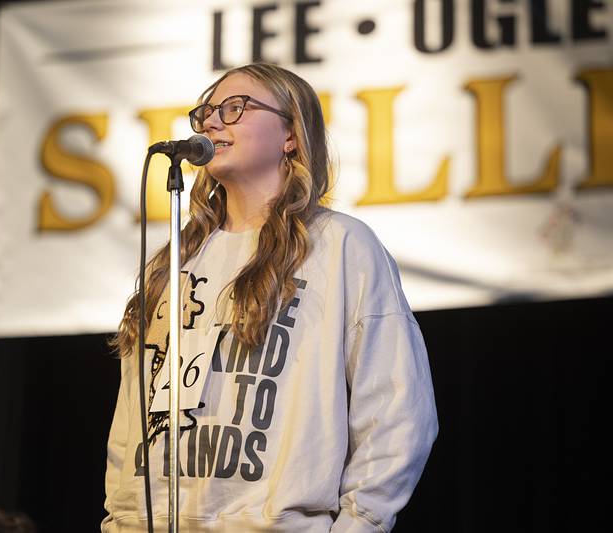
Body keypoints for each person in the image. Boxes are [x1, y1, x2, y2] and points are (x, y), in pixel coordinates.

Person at [102, 62, 438, 532]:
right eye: (208, 112)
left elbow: (396, 412)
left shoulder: (340, 246)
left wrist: (359, 525)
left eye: (236, 108)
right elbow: (130, 418)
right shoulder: (174, 261)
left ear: (291, 135)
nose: (214, 121)